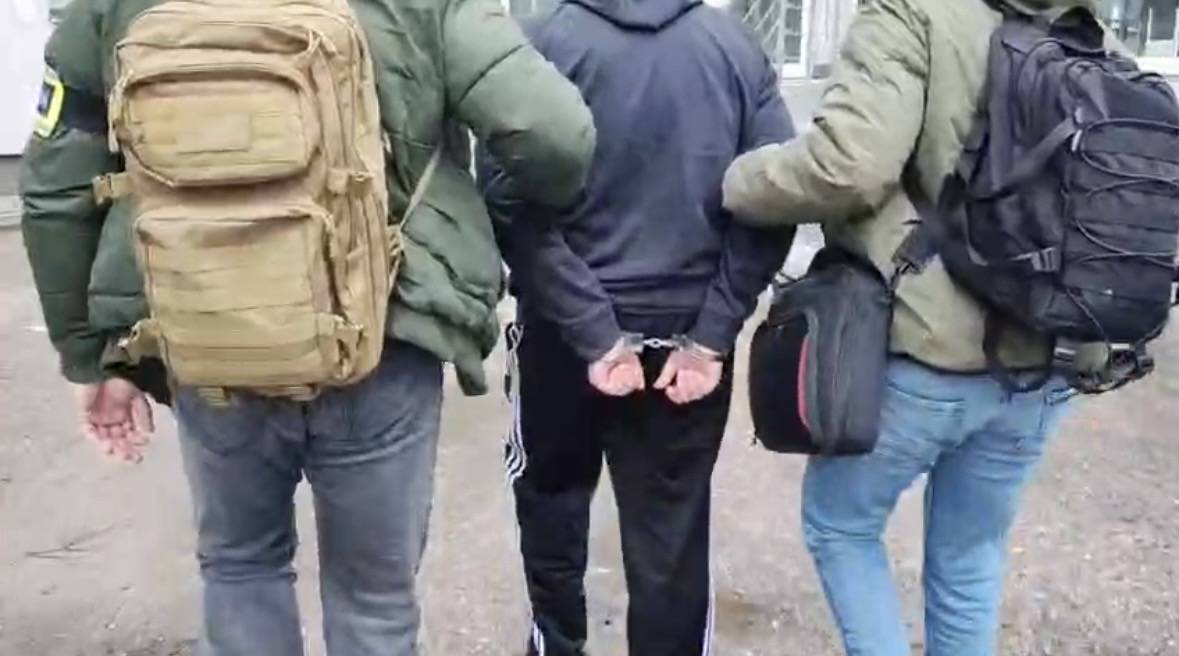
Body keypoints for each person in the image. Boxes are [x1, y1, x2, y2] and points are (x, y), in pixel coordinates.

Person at [19, 0, 594, 653]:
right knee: (374, 599)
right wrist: (510, 209)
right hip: (381, 330)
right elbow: (552, 131)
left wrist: (91, 355)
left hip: (205, 326)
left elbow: (56, 183)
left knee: (240, 566)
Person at [721, 1, 1087, 654]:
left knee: (841, 525)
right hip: (1048, 358)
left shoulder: (910, 11)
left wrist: (737, 179)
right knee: (969, 554)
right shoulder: (1085, 29)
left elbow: (846, 167)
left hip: (930, 351)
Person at [478, 0, 794, 653]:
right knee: (670, 537)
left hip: (562, 336)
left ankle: (556, 644)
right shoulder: (734, 49)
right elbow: (775, 199)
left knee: (551, 504)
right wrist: (711, 334)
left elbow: (506, 199)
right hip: (683, 344)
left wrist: (592, 329)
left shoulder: (540, 43)